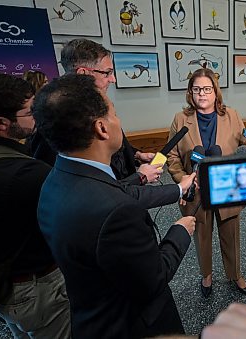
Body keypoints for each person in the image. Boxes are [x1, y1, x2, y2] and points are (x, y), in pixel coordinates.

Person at [33, 74, 197, 338]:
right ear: (102, 128)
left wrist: (150, 180)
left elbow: (112, 190)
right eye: (115, 114)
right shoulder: (117, 213)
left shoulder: (56, 179)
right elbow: (153, 279)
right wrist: (180, 231)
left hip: (90, 316)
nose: (119, 121)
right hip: (132, 325)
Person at [0, 71, 70, 338]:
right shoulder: (25, 175)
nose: (38, 115)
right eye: (29, 111)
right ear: (1, 122)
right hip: (36, 288)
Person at [167, 68, 246, 298]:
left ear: (215, 92)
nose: (202, 94)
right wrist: (180, 178)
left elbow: (245, 137)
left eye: (207, 89)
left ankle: (235, 275)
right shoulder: (181, 119)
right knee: (201, 235)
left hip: (226, 188)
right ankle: (207, 275)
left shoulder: (231, 115)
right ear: (190, 93)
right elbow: (172, 155)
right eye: (197, 89)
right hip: (196, 190)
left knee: (230, 234)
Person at [28, 38, 161, 184]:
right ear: (83, 73)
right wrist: (139, 178)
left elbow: (111, 144)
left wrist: (136, 155)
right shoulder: (55, 115)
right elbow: (82, 189)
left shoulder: (97, 103)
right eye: (107, 73)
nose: (113, 79)